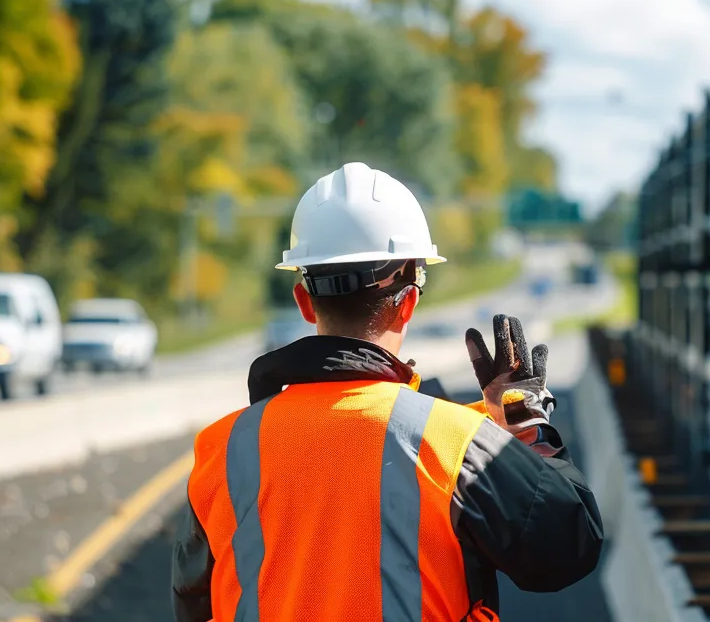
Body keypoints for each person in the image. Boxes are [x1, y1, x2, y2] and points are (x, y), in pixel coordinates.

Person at [171, 163, 603, 622]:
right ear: (410, 302)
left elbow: (195, 602)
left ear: (303, 300)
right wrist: (526, 425)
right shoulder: (454, 442)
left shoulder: (223, 449)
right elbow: (566, 546)